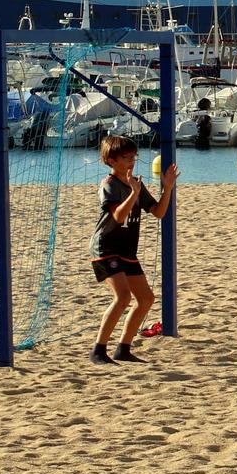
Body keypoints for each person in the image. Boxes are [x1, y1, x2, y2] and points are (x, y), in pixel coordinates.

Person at [88, 134, 179, 366]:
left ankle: (124, 348)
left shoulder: (136, 183)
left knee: (146, 299)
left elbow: (158, 212)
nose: (131, 161)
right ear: (111, 160)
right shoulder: (108, 184)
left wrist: (167, 188)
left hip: (126, 249)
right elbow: (118, 216)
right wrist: (133, 194)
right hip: (106, 246)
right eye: (126, 157)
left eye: (134, 157)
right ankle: (98, 350)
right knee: (123, 297)